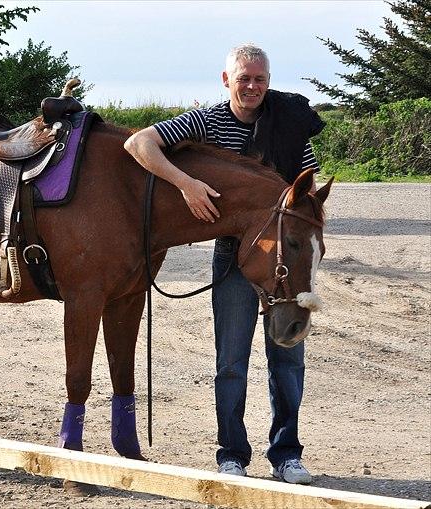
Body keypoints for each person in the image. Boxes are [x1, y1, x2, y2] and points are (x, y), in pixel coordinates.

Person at [124, 44, 325, 485]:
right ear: (226, 80)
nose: (252, 87)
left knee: (287, 358)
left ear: (268, 82)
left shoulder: (288, 123)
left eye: (259, 79)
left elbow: (307, 196)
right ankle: (231, 454)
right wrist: (186, 184)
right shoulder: (208, 120)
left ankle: (286, 454)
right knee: (230, 362)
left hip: (284, 258)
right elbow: (139, 144)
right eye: (243, 79)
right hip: (234, 255)